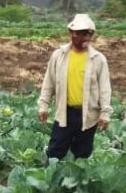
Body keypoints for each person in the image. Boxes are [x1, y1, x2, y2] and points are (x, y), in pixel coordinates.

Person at [37, 13, 112, 160]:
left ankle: (78, 181)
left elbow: (105, 89)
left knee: (82, 153)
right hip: (64, 112)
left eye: (86, 34)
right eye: (78, 33)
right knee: (55, 151)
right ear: (71, 33)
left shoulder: (98, 59)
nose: (83, 37)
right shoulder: (59, 55)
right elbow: (49, 82)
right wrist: (43, 106)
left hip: (88, 115)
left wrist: (105, 114)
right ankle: (51, 179)